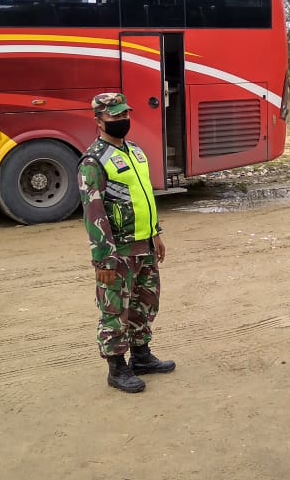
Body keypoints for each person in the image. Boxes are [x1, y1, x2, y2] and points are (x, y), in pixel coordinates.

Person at [78, 92, 175, 394]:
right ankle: (117, 367)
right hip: (117, 251)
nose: (122, 121)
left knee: (144, 303)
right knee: (115, 308)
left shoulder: (134, 151)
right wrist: (104, 260)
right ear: (98, 121)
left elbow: (143, 196)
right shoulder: (93, 161)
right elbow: (94, 214)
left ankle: (142, 356)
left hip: (144, 244)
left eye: (124, 115)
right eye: (114, 117)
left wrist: (155, 233)